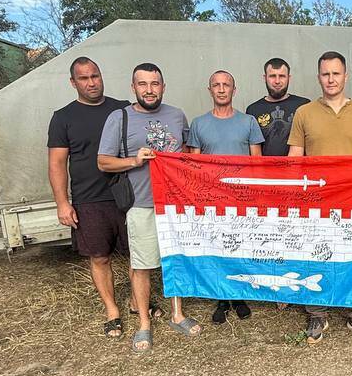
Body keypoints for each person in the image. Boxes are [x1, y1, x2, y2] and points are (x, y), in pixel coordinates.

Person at [97, 63, 200, 352]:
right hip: (141, 203)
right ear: (133, 88)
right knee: (142, 265)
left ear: (163, 87)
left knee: (175, 259)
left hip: (174, 203)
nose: (149, 90)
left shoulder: (177, 115)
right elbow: (103, 162)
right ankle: (143, 323)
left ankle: (177, 314)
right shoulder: (119, 118)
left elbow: (188, 153)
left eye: (155, 84)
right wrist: (134, 160)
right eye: (143, 84)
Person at [288, 51, 352, 343]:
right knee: (316, 255)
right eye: (325, 74)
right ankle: (317, 313)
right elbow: (295, 157)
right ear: (319, 77)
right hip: (317, 201)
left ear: (345, 76)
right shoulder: (304, 113)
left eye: (336, 73)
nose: (331, 79)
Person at [47, 57, 130, 338]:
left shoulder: (122, 109)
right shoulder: (63, 117)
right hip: (89, 198)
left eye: (95, 76)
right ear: (73, 83)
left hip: (126, 194)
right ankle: (112, 310)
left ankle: (138, 301)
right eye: (84, 78)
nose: (91, 83)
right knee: (100, 257)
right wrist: (62, 203)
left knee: (137, 255)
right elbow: (57, 163)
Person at [188, 70, 265, 325]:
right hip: (212, 200)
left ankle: (239, 295)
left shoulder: (249, 122)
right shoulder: (198, 124)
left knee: (239, 246)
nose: (221, 89)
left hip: (242, 199)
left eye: (226, 85)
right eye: (216, 85)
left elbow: (257, 164)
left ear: (234, 89)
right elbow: (195, 166)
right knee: (216, 247)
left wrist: (255, 197)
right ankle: (221, 297)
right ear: (209, 90)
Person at [246, 58, 310, 156]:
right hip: (264, 166)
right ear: (265, 78)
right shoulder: (253, 110)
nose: (277, 81)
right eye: (272, 76)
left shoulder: (303, 105)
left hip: (297, 165)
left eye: (282, 76)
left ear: (289, 78)